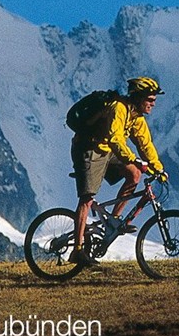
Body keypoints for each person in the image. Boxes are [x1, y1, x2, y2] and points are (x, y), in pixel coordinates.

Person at [70, 76, 168, 266]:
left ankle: (114, 221)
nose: (153, 104)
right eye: (150, 100)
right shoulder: (119, 108)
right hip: (88, 149)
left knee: (135, 175)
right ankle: (78, 250)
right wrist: (133, 159)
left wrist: (158, 168)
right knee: (87, 199)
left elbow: (145, 144)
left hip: (108, 151)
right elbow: (115, 140)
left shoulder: (137, 117)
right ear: (138, 98)